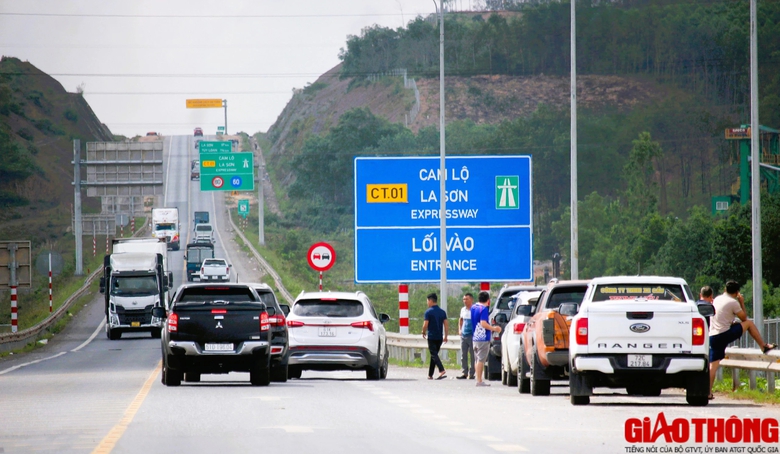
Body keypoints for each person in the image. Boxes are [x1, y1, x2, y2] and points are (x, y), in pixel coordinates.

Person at [708, 281, 777, 399]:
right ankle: (763, 346)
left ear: (725, 289)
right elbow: (744, 317)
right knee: (749, 323)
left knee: (713, 366)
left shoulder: (718, 298)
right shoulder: (733, 302)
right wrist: (741, 302)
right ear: (737, 292)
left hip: (712, 335)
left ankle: (707, 392)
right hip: (723, 334)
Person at [471, 291, 501, 387]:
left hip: (475, 337)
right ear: (488, 300)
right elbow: (483, 323)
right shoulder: (483, 309)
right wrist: (494, 328)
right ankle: (479, 381)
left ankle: (478, 379)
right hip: (483, 338)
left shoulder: (473, 307)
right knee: (481, 360)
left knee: (477, 359)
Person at [422, 292, 448, 380]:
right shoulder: (442, 312)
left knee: (433, 354)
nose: (427, 302)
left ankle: (441, 369)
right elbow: (446, 324)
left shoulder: (428, 312)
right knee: (434, 355)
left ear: (430, 300)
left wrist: (423, 332)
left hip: (432, 336)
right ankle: (430, 374)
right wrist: (446, 336)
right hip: (439, 337)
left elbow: (425, 324)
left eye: (427, 301)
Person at [457, 293, 475, 379]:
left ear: (471, 300)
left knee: (472, 355)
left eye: (467, 299)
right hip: (464, 335)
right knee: (463, 355)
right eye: (464, 299)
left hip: (472, 335)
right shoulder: (463, 310)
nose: (465, 301)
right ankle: (464, 372)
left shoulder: (475, 309)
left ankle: (472, 373)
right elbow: (460, 320)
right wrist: (460, 330)